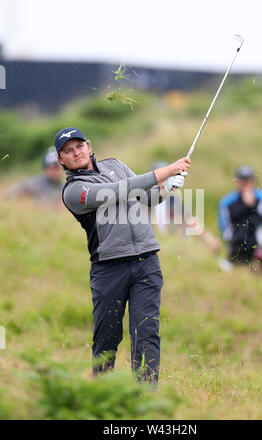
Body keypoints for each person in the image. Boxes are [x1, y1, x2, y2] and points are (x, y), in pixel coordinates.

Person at [54, 127, 190, 384]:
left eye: (79, 146)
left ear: (89, 145)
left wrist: (166, 188)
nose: (76, 153)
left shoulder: (114, 164)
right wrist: (165, 171)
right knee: (107, 338)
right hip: (109, 269)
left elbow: (147, 197)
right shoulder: (73, 191)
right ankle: (103, 393)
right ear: (61, 160)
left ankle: (145, 398)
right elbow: (119, 191)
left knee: (146, 331)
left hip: (147, 260)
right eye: (67, 151)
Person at [151, 161, 221, 254]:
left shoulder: (172, 199)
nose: (164, 182)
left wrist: (208, 238)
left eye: (166, 178)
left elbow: (189, 220)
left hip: (168, 244)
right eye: (161, 178)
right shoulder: (143, 198)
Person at [218, 165, 262, 272]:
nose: (245, 183)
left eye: (248, 180)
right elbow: (223, 225)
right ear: (237, 181)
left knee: (257, 280)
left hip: (257, 246)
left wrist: (252, 205)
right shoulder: (227, 201)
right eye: (242, 180)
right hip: (235, 247)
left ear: (253, 181)